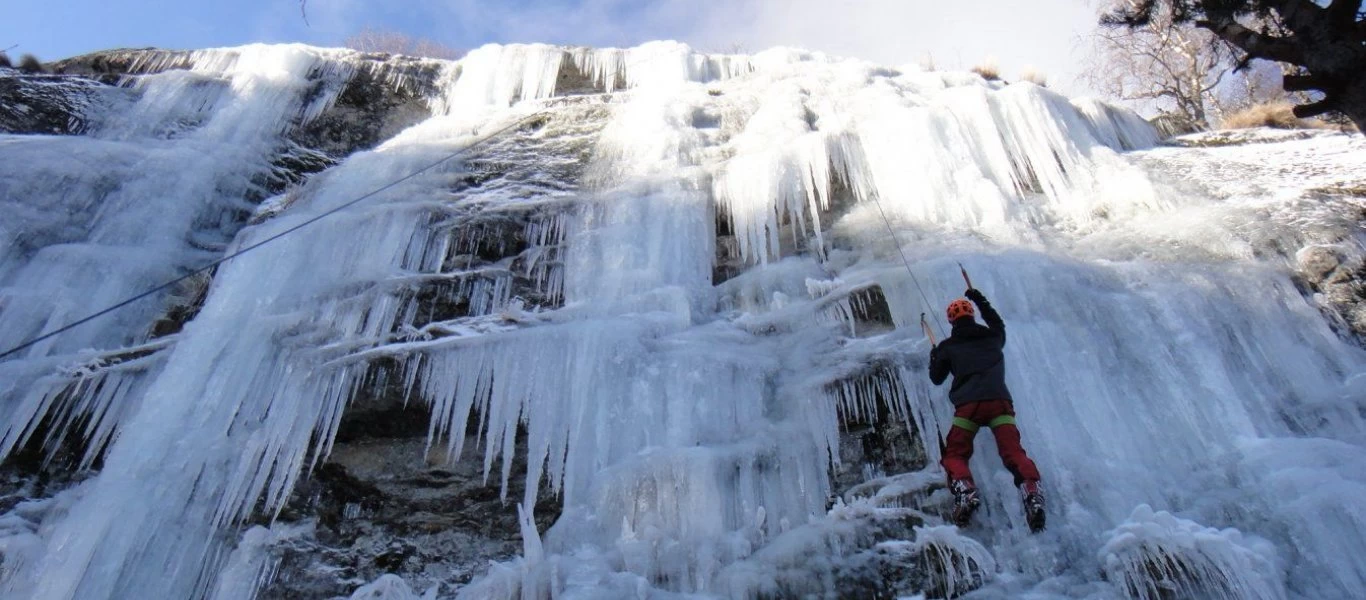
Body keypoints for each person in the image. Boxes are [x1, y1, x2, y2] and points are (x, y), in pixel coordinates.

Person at [929, 288, 1045, 532]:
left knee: (955, 454)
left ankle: (965, 488)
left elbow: (936, 378)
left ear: (951, 321)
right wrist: (979, 298)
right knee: (1013, 451)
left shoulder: (947, 347)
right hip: (998, 403)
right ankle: (1031, 490)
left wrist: (935, 355)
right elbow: (996, 321)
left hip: (969, 408)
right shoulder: (993, 337)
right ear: (972, 315)